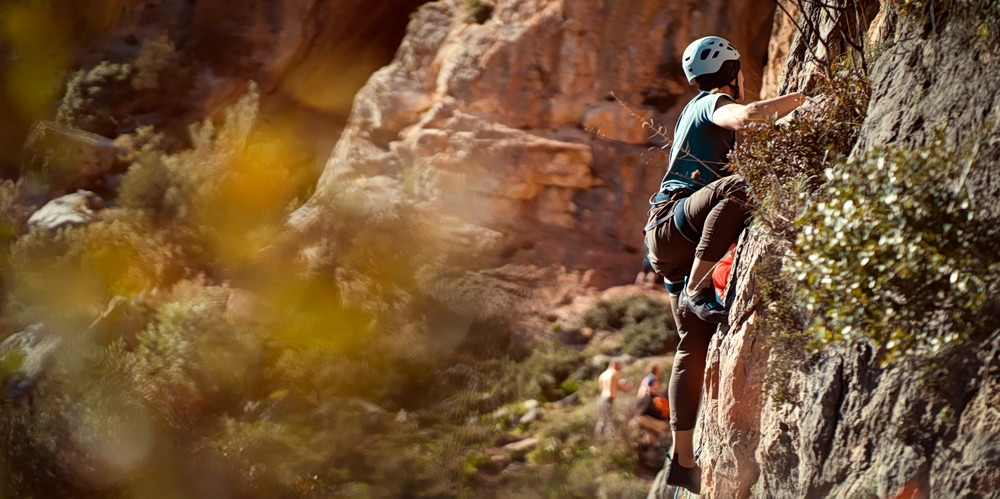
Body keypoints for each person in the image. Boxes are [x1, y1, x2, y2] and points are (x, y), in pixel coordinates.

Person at [642, 36, 807, 494]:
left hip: (669, 237)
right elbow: (744, 116)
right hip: (676, 225)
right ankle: (697, 286)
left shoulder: (687, 116)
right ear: (733, 72)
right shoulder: (711, 101)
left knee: (691, 345)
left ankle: (682, 458)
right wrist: (804, 97)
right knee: (741, 187)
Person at [595, 360, 633, 437]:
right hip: (609, 399)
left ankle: (597, 438)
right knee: (609, 421)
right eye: (620, 366)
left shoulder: (603, 375)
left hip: (601, 399)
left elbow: (602, 388)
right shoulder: (615, 373)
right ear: (616, 365)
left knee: (601, 420)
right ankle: (608, 440)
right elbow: (621, 387)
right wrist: (629, 386)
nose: (621, 368)